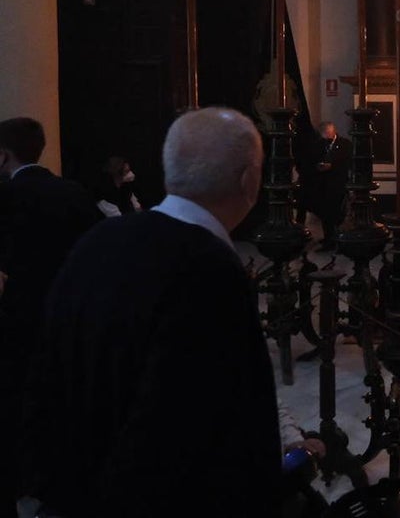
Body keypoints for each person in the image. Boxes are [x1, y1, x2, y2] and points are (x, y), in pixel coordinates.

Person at [18, 107, 282, 517]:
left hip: (65, 492)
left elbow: (44, 372)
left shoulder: (99, 240)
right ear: (250, 180)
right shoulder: (209, 270)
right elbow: (191, 430)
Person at [0, 117, 102, 518]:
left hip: (18, 315)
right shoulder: (72, 193)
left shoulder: (7, 197)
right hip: (66, 315)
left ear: (3, 156)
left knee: (16, 399)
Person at [312, 120, 350, 250]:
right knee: (325, 214)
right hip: (323, 185)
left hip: (338, 184)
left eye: (327, 134)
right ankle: (328, 238)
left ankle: (338, 239)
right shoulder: (319, 144)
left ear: (333, 132)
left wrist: (332, 166)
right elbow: (313, 159)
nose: (326, 137)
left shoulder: (345, 144)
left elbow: (347, 163)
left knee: (337, 214)